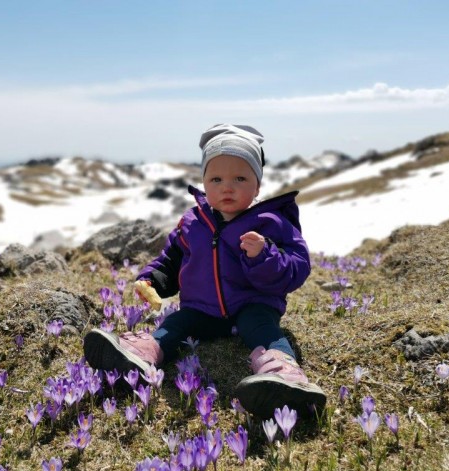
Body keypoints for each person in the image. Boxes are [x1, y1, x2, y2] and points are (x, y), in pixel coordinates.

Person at [84, 124, 326, 418]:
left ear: (258, 185)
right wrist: (153, 280)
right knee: (176, 324)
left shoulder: (271, 222)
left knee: (261, 328)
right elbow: (171, 260)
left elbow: (297, 268)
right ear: (203, 182)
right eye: (216, 178)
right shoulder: (193, 222)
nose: (227, 186)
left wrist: (264, 255)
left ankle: (284, 374)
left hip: (253, 304)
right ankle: (143, 353)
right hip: (201, 309)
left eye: (240, 177)